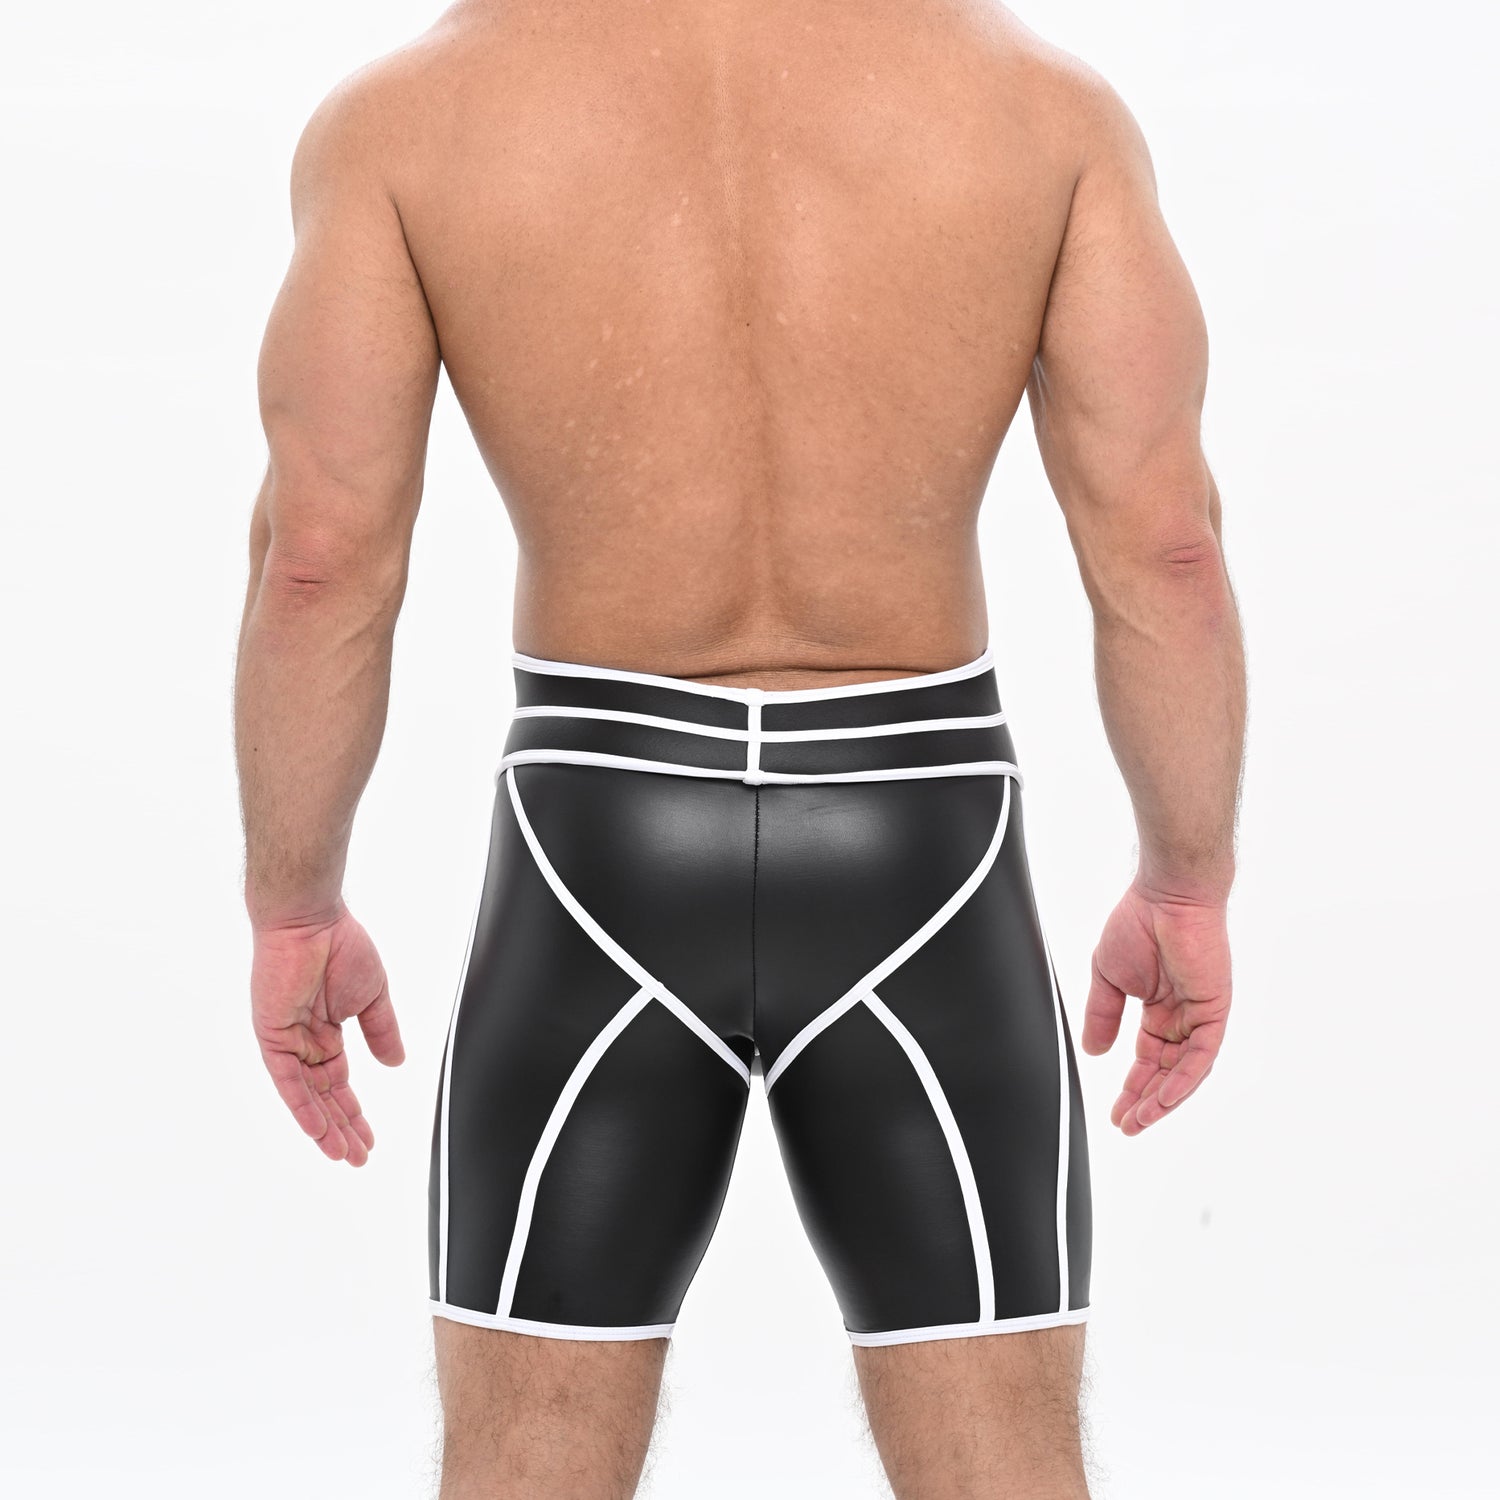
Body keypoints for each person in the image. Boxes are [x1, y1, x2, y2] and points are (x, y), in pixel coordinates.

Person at [234, 1, 1245, 1494]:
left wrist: (294, 905)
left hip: (598, 838)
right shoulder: (1038, 109)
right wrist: (1185, 881)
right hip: (922, 838)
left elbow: (319, 562)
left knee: (525, 1462)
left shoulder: (410, 117)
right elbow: (1166, 549)